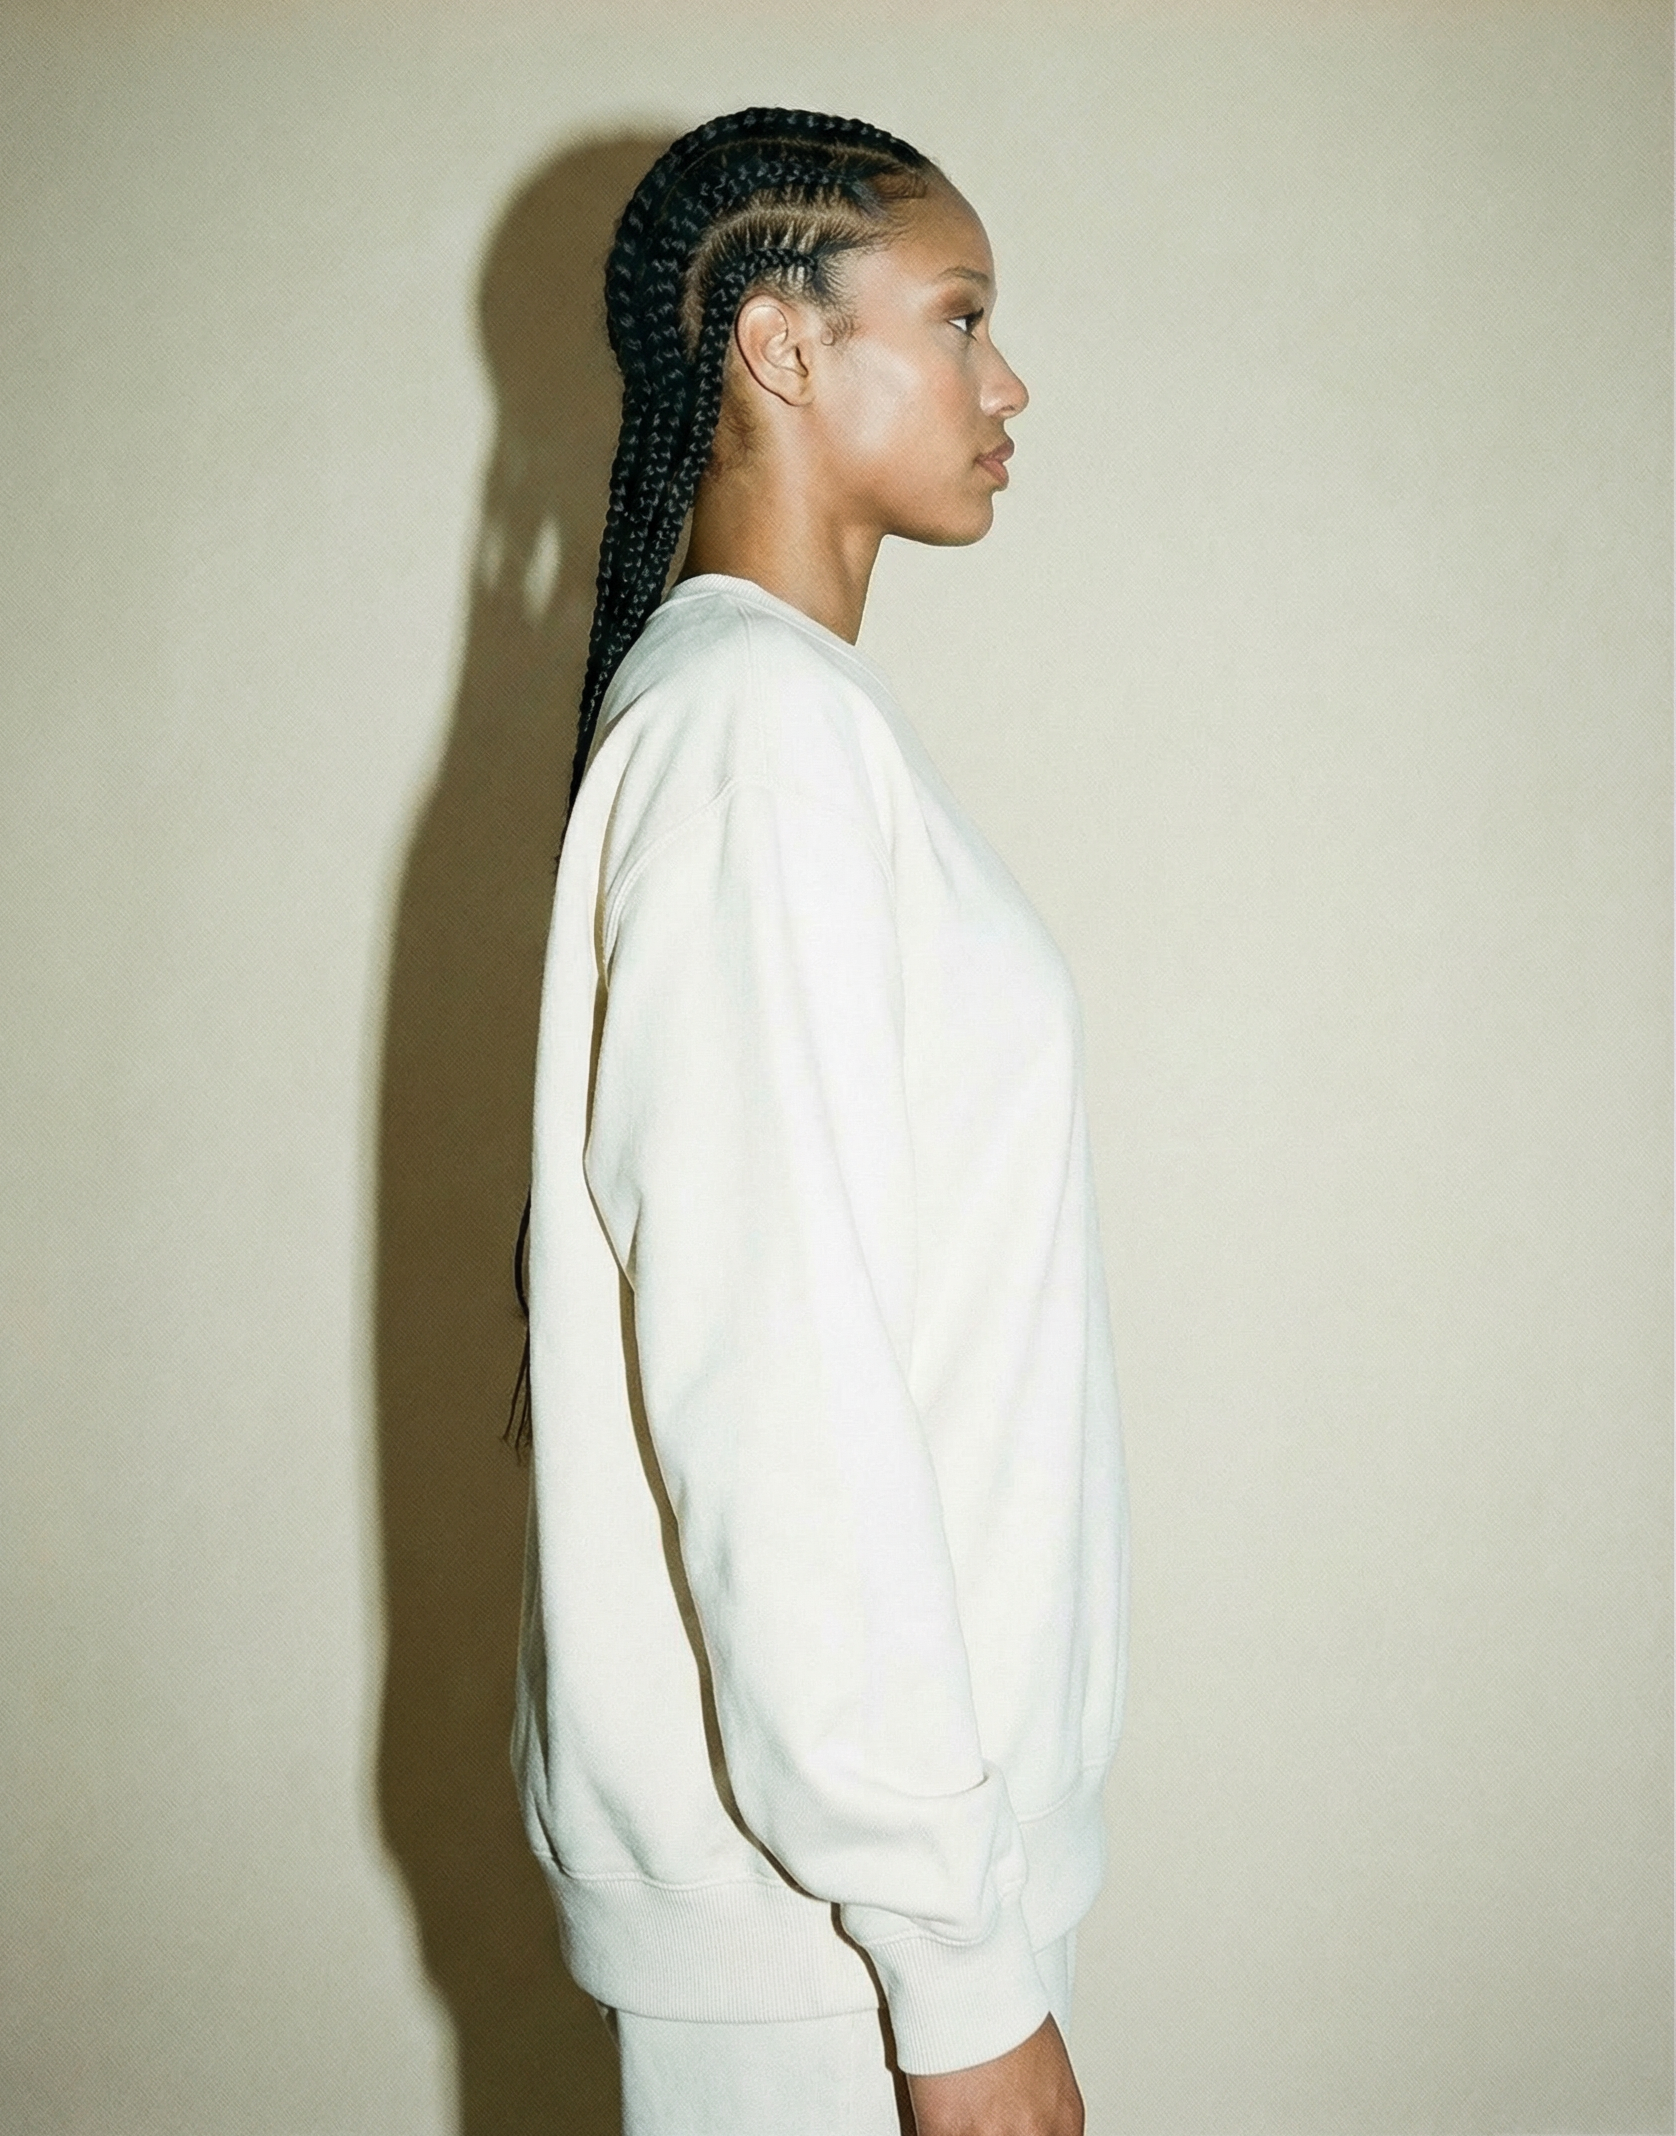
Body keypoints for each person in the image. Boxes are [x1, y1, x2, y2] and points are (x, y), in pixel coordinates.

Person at [510, 108, 1128, 2136]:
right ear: (781, 347)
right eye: (959, 318)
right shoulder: (753, 737)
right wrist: (956, 1980)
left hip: (868, 1919)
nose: (1005, 382)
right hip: (839, 1956)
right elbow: (774, 1384)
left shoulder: (781, 724)